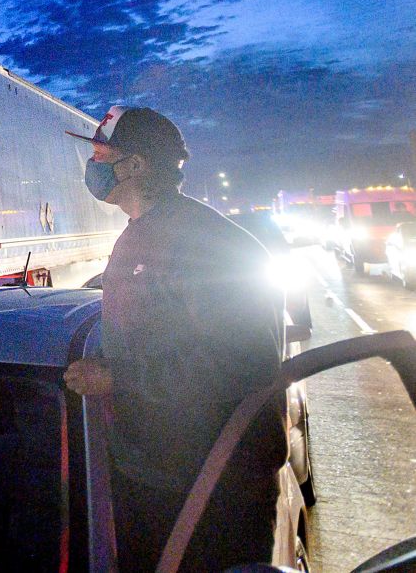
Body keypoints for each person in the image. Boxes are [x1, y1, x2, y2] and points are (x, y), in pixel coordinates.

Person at [61, 106, 286, 572]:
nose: (93, 165)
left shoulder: (204, 242)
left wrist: (118, 377)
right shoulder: (144, 233)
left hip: (209, 488)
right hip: (155, 476)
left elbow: (241, 362)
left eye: (103, 153)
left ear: (137, 165)